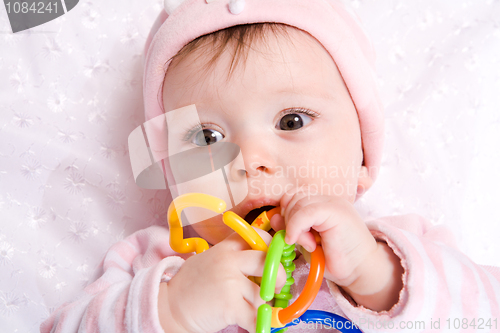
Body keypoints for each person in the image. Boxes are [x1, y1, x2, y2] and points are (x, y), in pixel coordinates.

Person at [41, 0, 500, 332]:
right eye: (206, 137)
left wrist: (375, 277)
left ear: (361, 155)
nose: (249, 162)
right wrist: (173, 311)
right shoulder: (156, 267)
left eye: (292, 120)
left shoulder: (402, 256)